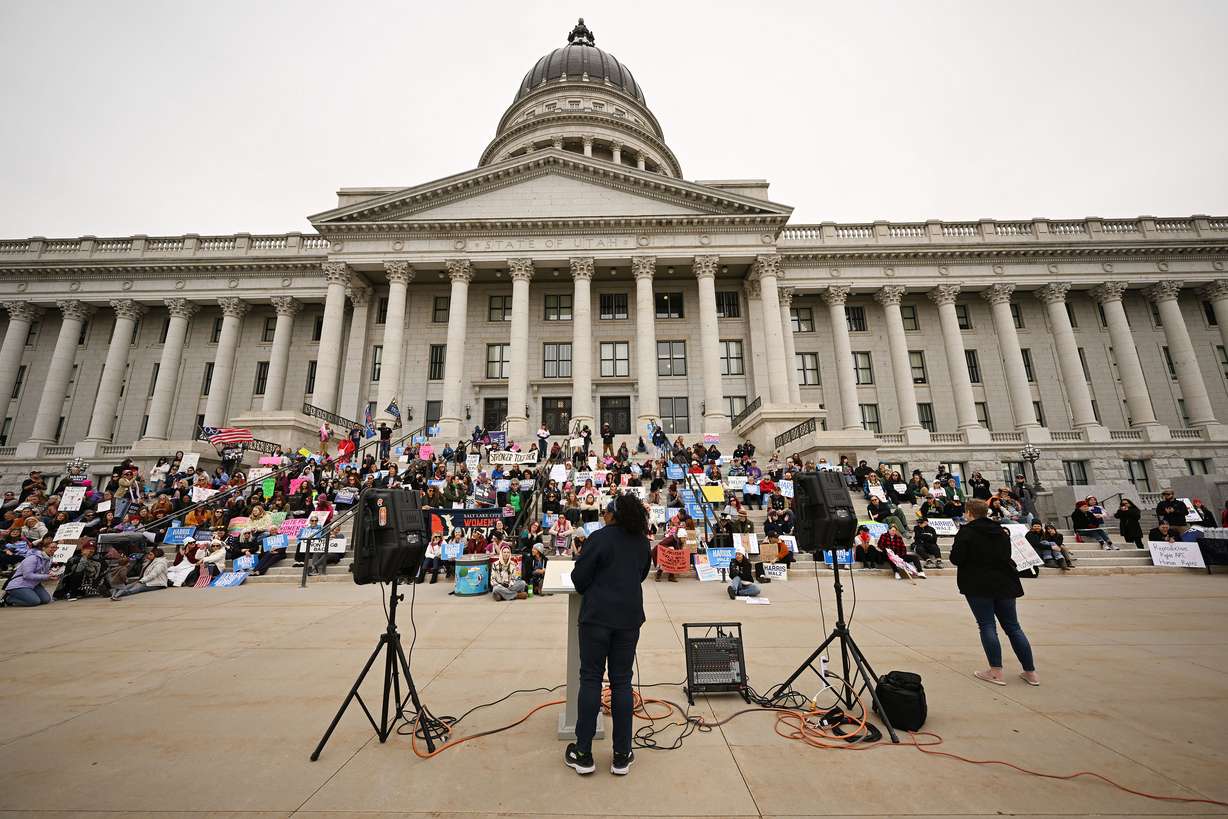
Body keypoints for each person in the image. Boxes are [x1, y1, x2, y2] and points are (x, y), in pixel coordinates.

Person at [567, 495, 652, 777]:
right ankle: (621, 755)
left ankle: (583, 754)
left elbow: (579, 580)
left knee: (590, 678)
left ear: (614, 514)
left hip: (597, 619)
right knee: (621, 682)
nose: (603, 515)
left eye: (606, 511)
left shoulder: (599, 538)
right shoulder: (641, 541)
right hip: (628, 619)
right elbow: (640, 574)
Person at [949, 499, 1039, 686]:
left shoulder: (966, 532)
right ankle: (1030, 672)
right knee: (1013, 627)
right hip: (1004, 582)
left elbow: (956, 559)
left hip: (978, 584)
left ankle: (996, 671)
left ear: (969, 513)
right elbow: (1006, 555)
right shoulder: (1000, 530)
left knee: (987, 625)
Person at [3, 537, 57, 606]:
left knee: (46, 600)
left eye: (56, 547)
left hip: (33, 584)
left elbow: (42, 572)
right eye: (51, 547)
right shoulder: (32, 558)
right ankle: (8, 599)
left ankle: (26, 595)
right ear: (43, 548)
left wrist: (51, 574)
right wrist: (47, 576)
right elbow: (27, 575)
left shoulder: (48, 559)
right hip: (19, 585)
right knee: (34, 601)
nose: (54, 549)